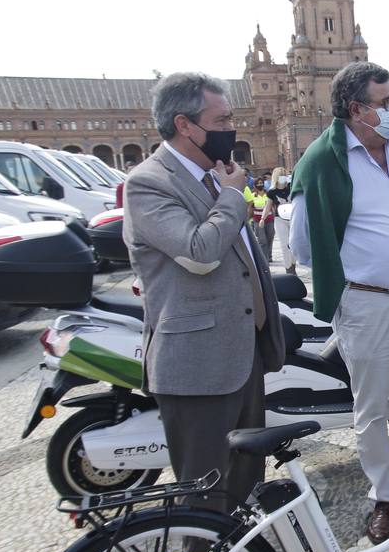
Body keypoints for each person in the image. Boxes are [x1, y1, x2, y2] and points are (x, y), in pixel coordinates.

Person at [122, 71, 285, 515]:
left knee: (246, 481)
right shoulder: (149, 182)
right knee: (205, 493)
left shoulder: (215, 174)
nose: (232, 126)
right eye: (222, 119)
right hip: (197, 363)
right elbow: (201, 251)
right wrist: (234, 197)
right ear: (185, 125)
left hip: (240, 352)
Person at [288, 62, 389, 543]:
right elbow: (304, 244)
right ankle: (384, 498)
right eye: (386, 103)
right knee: (372, 408)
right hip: (368, 305)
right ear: (356, 110)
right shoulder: (322, 161)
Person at [268, 165, 296, 274]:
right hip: (279, 219)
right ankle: (288, 268)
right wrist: (263, 218)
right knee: (285, 244)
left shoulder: (291, 186)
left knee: (293, 243)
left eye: (285, 175)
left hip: (292, 217)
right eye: (281, 175)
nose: (283, 177)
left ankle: (293, 265)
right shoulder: (272, 192)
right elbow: (268, 205)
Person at [245, 174, 276, 262]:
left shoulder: (268, 194)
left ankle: (269, 255)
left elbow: (273, 206)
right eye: (258, 183)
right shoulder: (252, 195)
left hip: (269, 219)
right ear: (254, 185)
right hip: (257, 220)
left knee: (270, 237)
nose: (260, 185)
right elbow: (250, 207)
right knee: (262, 240)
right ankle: (264, 259)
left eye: (261, 183)